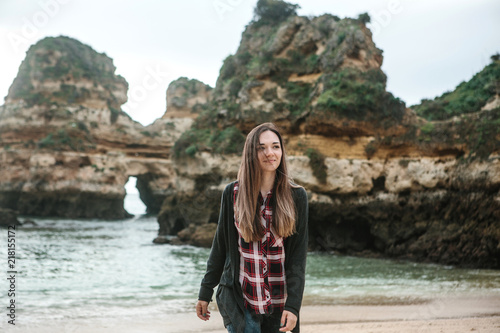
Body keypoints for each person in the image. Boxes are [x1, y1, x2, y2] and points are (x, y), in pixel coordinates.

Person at [195, 123, 309, 333]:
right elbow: (220, 245)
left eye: (275, 146)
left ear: (282, 152)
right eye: (261, 147)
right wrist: (205, 291)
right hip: (241, 301)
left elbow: (298, 259)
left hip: (280, 305)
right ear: (251, 152)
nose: (269, 153)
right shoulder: (233, 193)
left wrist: (293, 306)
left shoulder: (296, 196)